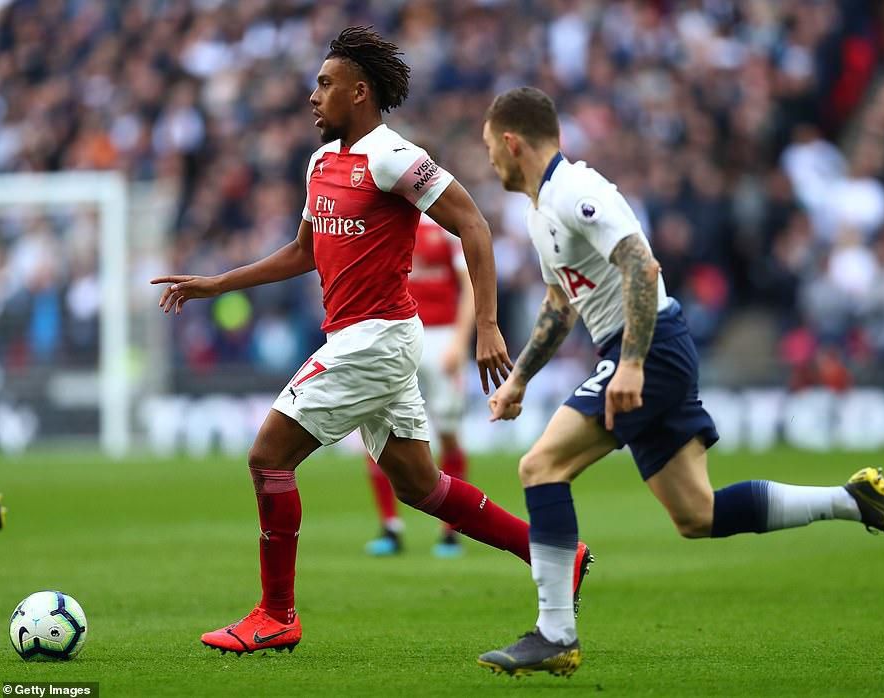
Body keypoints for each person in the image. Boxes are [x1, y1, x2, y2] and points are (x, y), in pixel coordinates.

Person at [151, 30, 590, 656]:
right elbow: (305, 251)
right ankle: (555, 557)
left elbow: (473, 223)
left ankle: (276, 614)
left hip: (376, 338)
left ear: (360, 92)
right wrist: (216, 284)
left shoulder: (392, 156)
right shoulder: (320, 162)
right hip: (367, 337)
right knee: (421, 487)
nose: (313, 96)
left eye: (325, 84)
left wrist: (487, 324)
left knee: (267, 458)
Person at [475, 87, 884, 678]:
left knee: (540, 466)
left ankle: (555, 634)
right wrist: (518, 382)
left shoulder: (576, 191)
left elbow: (641, 264)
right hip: (649, 347)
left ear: (512, 142)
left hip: (650, 347)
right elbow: (561, 305)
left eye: (490, 148)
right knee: (697, 515)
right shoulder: (541, 211)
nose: (488, 160)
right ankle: (853, 501)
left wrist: (632, 363)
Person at [364, 213, 475, 559]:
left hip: (441, 337)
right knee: (377, 427)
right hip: (396, 336)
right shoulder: (385, 221)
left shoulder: (444, 224)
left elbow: (470, 285)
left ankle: (451, 530)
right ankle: (390, 527)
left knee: (447, 431)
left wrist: (460, 340)